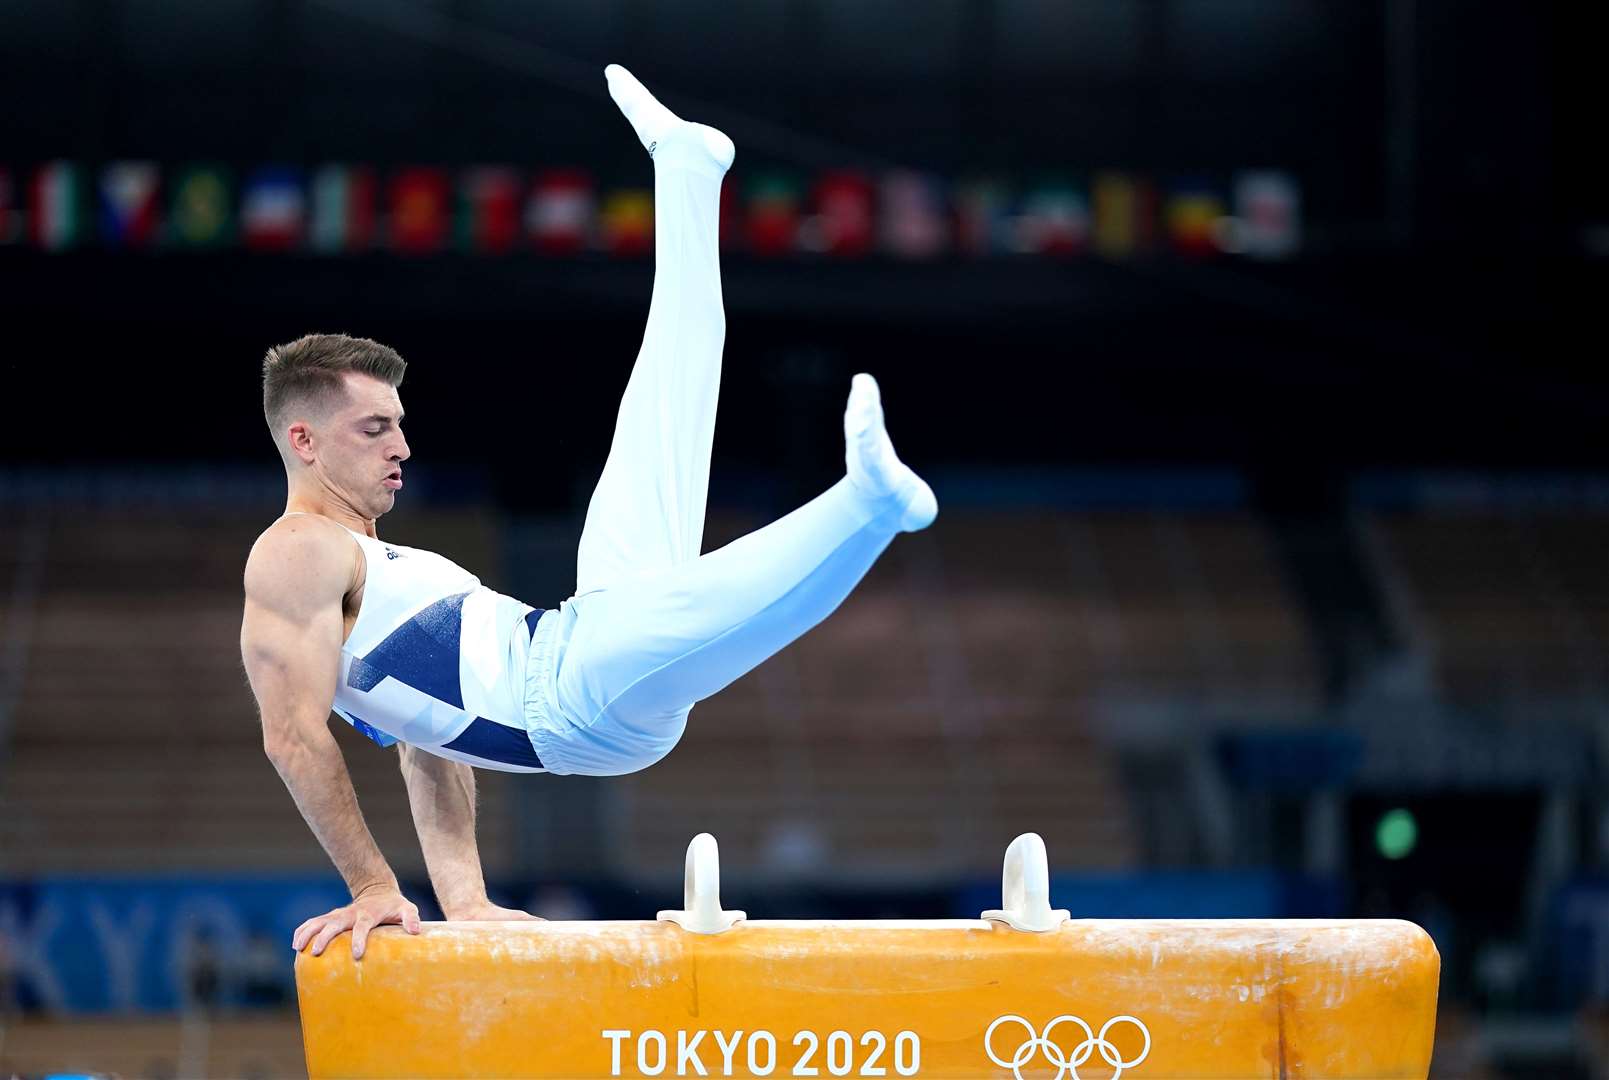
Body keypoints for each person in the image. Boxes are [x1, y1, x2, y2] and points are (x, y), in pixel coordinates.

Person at [240, 66, 935, 961]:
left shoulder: (375, 561)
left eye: (401, 425)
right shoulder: (293, 554)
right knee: (713, 598)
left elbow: (427, 748)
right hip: (574, 703)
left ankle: (685, 171)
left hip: (575, 633)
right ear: (303, 439)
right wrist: (377, 887)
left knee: (662, 407)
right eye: (374, 428)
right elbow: (290, 737)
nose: (401, 446)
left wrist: (468, 901)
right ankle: (867, 505)